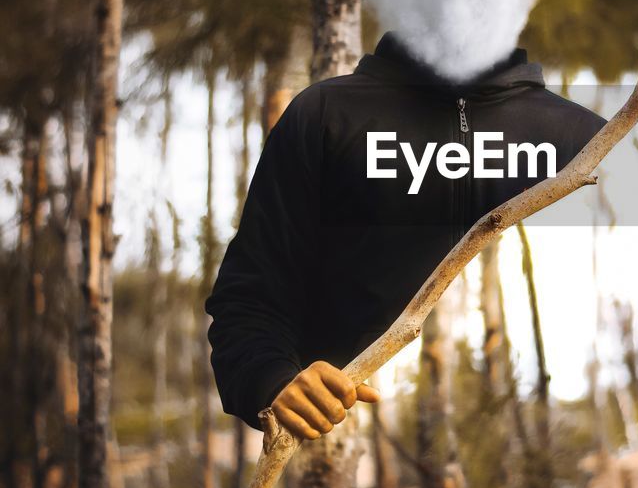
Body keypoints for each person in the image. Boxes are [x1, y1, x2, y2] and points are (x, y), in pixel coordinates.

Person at [204, 31, 606, 441]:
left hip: (575, 448)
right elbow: (251, 300)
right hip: (344, 452)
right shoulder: (326, 114)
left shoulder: (587, 137)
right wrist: (273, 380)